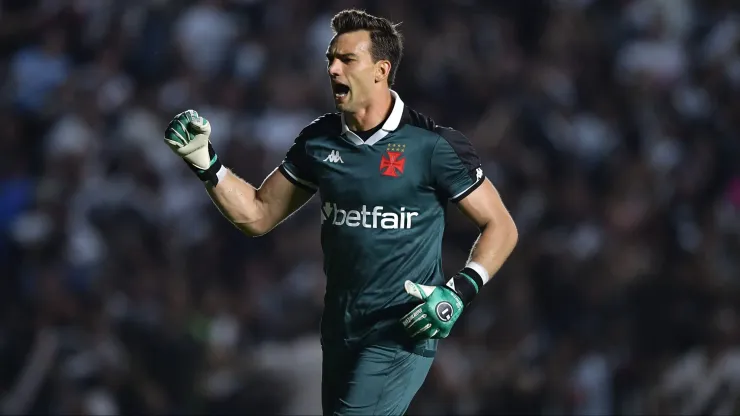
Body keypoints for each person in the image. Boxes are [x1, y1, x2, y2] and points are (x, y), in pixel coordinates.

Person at [163, 9, 518, 416]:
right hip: (340, 331)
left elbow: (501, 226)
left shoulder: (432, 146)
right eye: (331, 58)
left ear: (381, 70)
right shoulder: (319, 141)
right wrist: (207, 164)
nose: (332, 68)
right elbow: (258, 214)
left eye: (346, 60)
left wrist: (460, 291)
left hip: (401, 332)